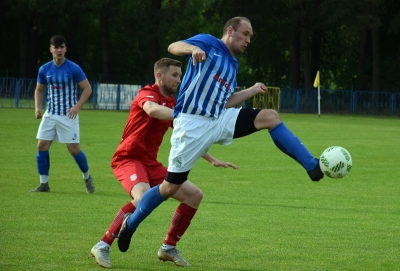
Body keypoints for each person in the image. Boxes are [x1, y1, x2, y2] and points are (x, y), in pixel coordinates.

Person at [118, 16, 324, 263]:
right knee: (169, 188)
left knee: (269, 117)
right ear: (230, 30)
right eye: (245, 34)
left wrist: (252, 90)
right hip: (191, 124)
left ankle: (312, 166)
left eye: (250, 36)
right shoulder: (207, 43)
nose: (248, 40)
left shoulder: (233, 65)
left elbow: (224, 101)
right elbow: (173, 47)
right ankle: (131, 223)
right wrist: (193, 48)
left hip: (217, 118)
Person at [89, 58, 237, 268]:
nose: (179, 79)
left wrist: (212, 159)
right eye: (174, 75)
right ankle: (102, 245)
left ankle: (168, 247)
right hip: (128, 158)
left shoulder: (172, 104)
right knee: (142, 197)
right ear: (160, 75)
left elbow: (187, 134)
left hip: (150, 163)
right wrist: (184, 115)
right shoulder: (147, 94)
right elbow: (152, 110)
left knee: (194, 195)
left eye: (180, 75)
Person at [31, 35, 95, 193]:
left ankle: (87, 177)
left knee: (73, 149)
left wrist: (77, 106)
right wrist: (37, 108)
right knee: (42, 145)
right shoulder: (44, 69)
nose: (59, 50)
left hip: (68, 115)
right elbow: (39, 90)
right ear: (51, 49)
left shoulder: (73, 68)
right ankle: (44, 184)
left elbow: (87, 89)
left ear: (65, 49)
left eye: (61, 47)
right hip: (51, 114)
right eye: (56, 47)